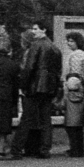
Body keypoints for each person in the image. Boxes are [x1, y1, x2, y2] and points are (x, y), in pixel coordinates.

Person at [15, 20, 61, 159]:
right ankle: (45, 149)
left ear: (44, 30)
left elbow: (29, 68)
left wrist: (23, 85)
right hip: (49, 87)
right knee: (46, 119)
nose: (33, 31)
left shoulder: (35, 46)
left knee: (27, 119)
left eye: (35, 29)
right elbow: (58, 70)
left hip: (35, 86)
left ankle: (16, 149)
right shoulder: (55, 48)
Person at [0, 34, 21, 158]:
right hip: (6, 94)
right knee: (4, 124)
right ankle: (1, 149)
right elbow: (16, 84)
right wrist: (15, 100)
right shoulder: (13, 65)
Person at [60, 31, 84, 158]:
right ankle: (78, 148)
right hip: (81, 91)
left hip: (73, 92)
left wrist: (67, 87)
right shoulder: (83, 54)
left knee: (72, 123)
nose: (68, 43)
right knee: (77, 123)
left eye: (71, 41)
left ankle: (75, 149)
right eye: (68, 40)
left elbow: (74, 76)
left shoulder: (76, 55)